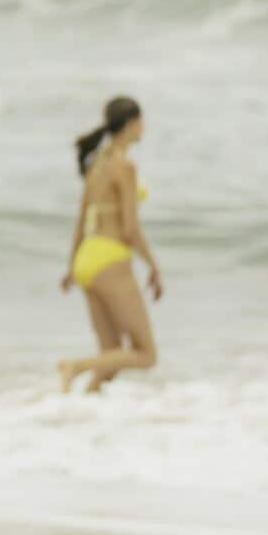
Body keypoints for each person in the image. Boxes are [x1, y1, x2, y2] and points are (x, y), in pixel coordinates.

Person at [57, 97, 162, 393]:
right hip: (110, 258)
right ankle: (74, 366)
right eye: (141, 122)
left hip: (88, 258)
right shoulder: (124, 167)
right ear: (131, 124)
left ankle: (82, 411)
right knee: (146, 354)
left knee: (111, 356)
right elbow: (129, 229)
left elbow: (81, 220)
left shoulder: (97, 164)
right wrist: (153, 266)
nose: (143, 128)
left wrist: (71, 267)